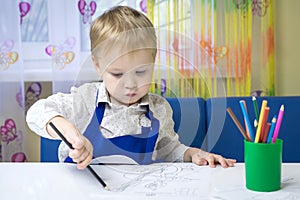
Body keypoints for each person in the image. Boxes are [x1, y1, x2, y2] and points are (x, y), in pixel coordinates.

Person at [26, 6, 236, 170]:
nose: (130, 84)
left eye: (141, 72)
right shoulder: (85, 99)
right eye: (117, 74)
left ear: (153, 63)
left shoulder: (158, 109)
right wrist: (70, 132)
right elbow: (36, 113)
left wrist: (194, 154)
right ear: (98, 66)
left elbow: (169, 149)